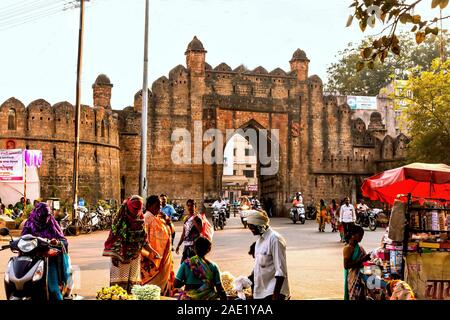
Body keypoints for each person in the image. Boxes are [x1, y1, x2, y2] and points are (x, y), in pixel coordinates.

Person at [21, 202, 71, 300]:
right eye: (42, 215)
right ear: (37, 213)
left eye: (46, 215)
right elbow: (23, 239)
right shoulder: (29, 223)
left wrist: (56, 242)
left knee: (53, 289)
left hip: (48, 259)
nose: (44, 218)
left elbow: (63, 241)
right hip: (30, 258)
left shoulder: (52, 223)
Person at [103, 195, 148, 293]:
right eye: (134, 209)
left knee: (133, 282)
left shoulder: (141, 218)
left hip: (135, 255)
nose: (136, 211)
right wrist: (115, 255)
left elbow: (144, 238)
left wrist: (151, 250)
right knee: (118, 281)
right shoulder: (120, 219)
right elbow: (113, 236)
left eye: (138, 209)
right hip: (120, 255)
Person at [246, 210, 290, 300]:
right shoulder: (259, 241)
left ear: (260, 225)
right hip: (261, 291)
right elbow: (259, 266)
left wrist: (276, 295)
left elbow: (281, 271)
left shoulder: (275, 239)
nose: (251, 230)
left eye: (252, 227)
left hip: (273, 292)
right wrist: (246, 280)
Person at [141, 195, 174, 296]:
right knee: (152, 287)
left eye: (160, 206)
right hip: (152, 258)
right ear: (150, 206)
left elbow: (171, 231)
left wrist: (168, 221)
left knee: (161, 285)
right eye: (157, 206)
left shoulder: (159, 218)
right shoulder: (146, 218)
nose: (159, 208)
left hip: (162, 257)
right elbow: (143, 239)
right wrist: (150, 252)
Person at [174, 236, 227, 300]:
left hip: (189, 298)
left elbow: (176, 284)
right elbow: (219, 289)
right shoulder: (213, 266)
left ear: (194, 248)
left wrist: (185, 281)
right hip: (208, 298)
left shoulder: (186, 264)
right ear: (209, 249)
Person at [343, 225, 371, 300]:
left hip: (361, 276)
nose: (361, 237)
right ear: (352, 235)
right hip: (353, 277)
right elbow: (346, 266)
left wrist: (370, 261)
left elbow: (364, 262)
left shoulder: (360, 247)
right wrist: (362, 259)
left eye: (362, 235)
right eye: (360, 235)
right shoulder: (348, 248)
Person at [175, 199, 203, 263]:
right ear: (187, 207)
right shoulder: (186, 218)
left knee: (195, 266)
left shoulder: (197, 218)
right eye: (189, 206)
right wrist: (178, 245)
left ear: (195, 207)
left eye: (192, 206)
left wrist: (194, 221)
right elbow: (183, 234)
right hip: (187, 246)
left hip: (194, 247)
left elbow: (200, 230)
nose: (190, 207)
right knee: (183, 264)